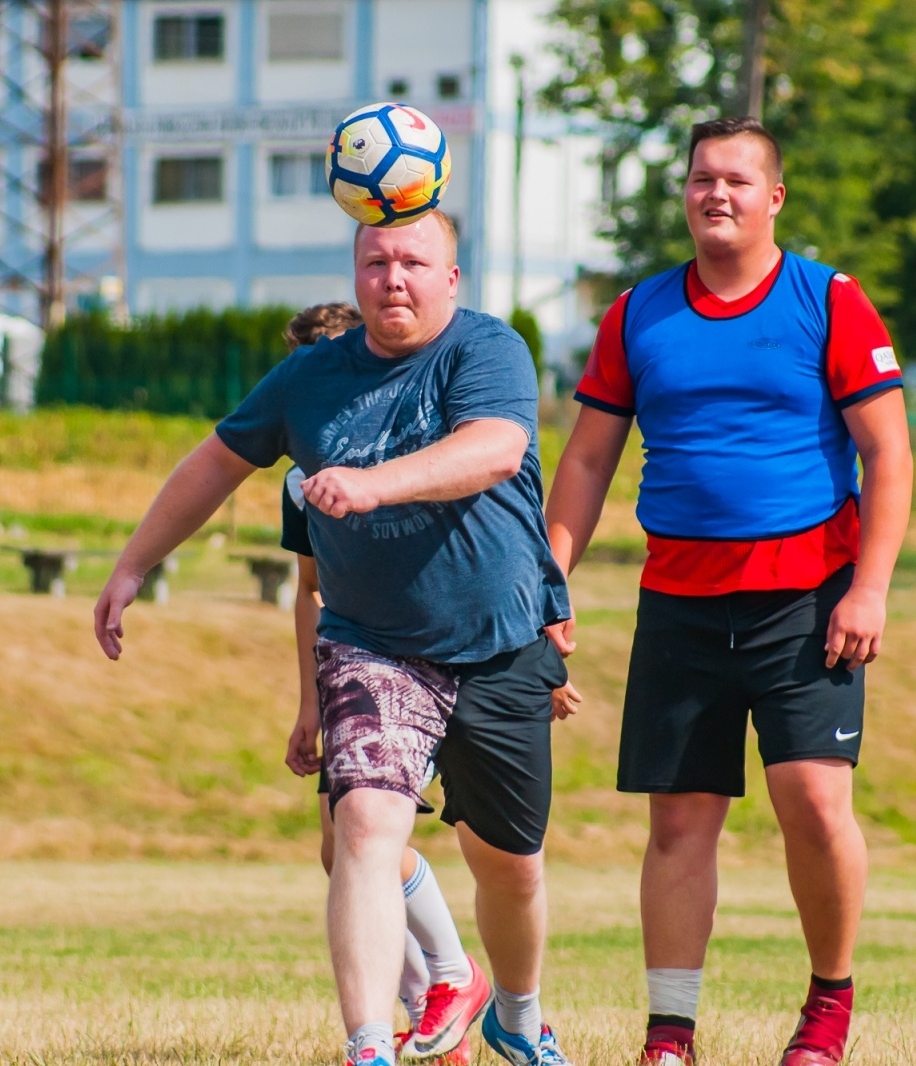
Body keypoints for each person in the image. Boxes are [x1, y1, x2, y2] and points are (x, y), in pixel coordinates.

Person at [95, 211, 576, 1066]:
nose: (394, 278)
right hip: (373, 645)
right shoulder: (308, 376)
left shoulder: (487, 348)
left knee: (511, 867)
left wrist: (374, 484)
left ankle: (515, 1011)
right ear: (355, 276)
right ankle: (369, 1046)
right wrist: (134, 563)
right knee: (361, 827)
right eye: (376, 262)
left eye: (414, 263)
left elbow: (496, 449)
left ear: (451, 278)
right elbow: (215, 462)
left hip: (499, 643)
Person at [543, 117, 913, 1066]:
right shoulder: (638, 313)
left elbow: (888, 454)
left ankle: (828, 1006)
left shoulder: (829, 300)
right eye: (702, 178)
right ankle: (670, 1034)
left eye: (738, 181)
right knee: (678, 821)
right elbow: (586, 462)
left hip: (810, 598)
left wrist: (870, 590)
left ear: (774, 198)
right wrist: (547, 585)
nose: (717, 194)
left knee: (814, 802)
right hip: (680, 600)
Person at [278, 301, 477, 1064]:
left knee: (372, 837)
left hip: (423, 656)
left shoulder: (418, 447)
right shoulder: (300, 478)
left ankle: (452, 982)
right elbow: (310, 589)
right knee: (343, 850)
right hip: (350, 661)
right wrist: (309, 704)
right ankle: (429, 1008)